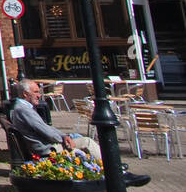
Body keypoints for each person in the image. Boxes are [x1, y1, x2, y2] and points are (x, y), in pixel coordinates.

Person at [9, 79, 150, 186]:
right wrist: (63, 137)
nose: (39, 95)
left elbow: (45, 128)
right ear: (25, 94)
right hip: (47, 149)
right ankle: (117, 174)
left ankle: (116, 170)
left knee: (86, 142)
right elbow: (45, 130)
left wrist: (65, 136)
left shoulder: (22, 108)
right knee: (83, 151)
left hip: (47, 145)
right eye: (36, 92)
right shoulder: (23, 110)